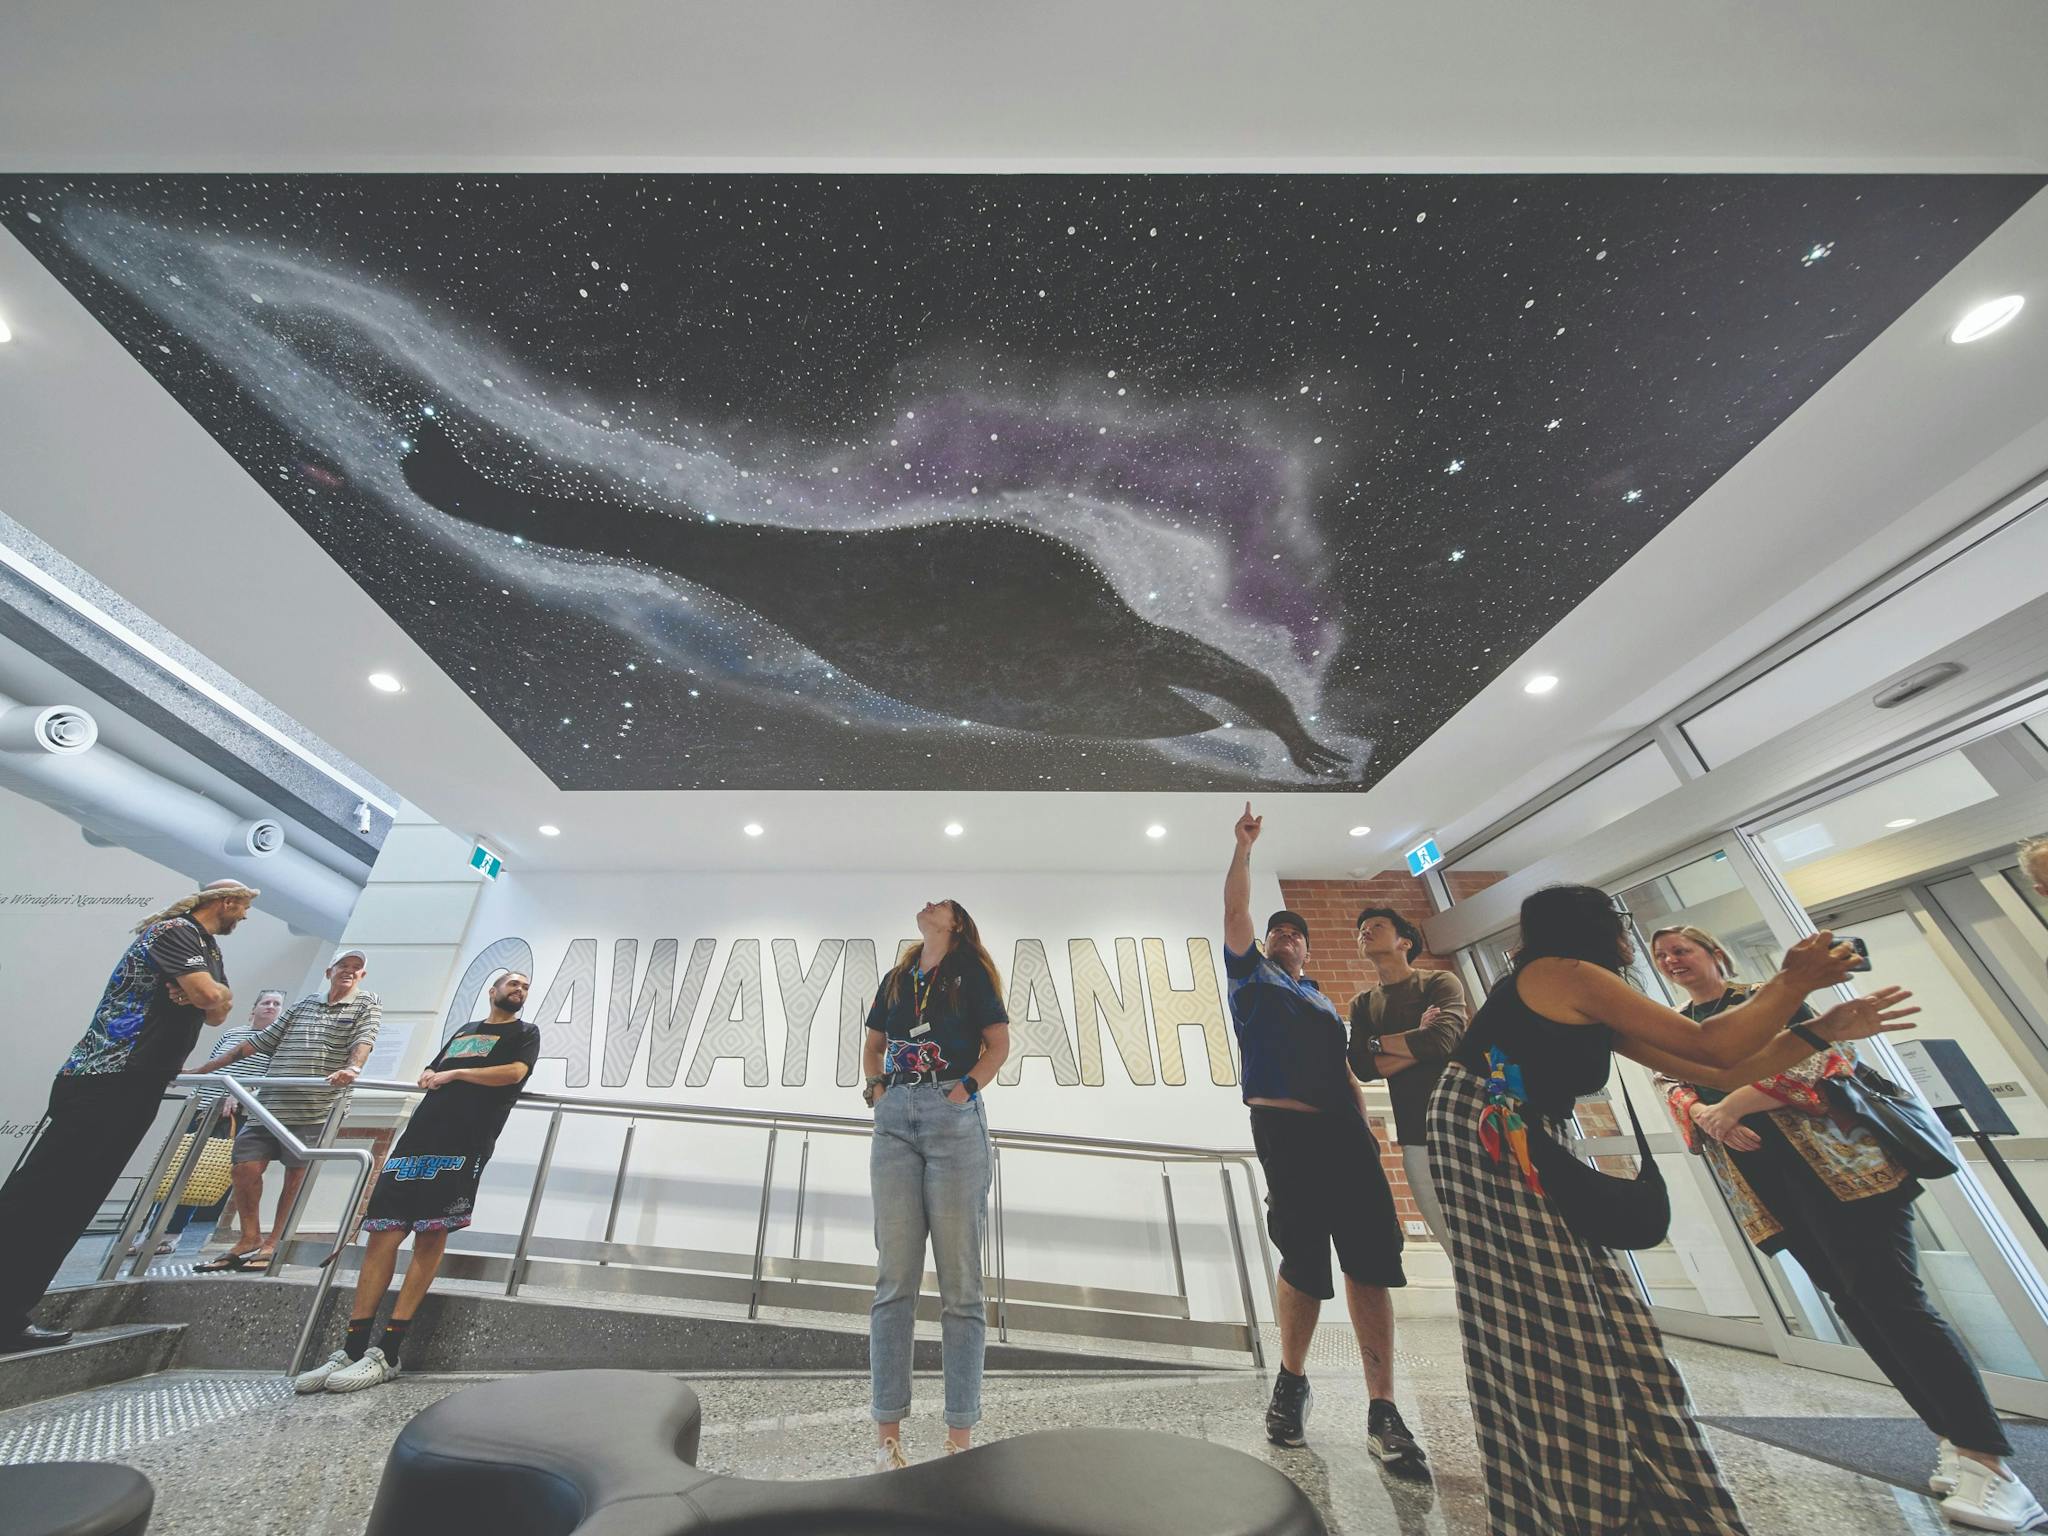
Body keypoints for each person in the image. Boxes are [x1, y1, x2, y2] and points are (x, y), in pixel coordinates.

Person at [1426, 884, 1918, 1534]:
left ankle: (1622, 1462)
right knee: (1549, 1302)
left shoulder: (1580, 988)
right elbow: (1712, 1043)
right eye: (1623, 924)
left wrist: (1823, 1029)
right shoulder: (1563, 973)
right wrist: (1795, 980)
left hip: (1517, 1128)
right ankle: (1582, 1486)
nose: (1635, 941)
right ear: (1594, 929)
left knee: (1585, 1296)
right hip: (1491, 1130)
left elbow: (1717, 1069)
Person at [1650, 925, 2039, 1532]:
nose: (1674, 961)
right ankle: (1950, 1434)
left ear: (1712, 953)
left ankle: (1990, 1464)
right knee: (1856, 1306)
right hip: (1767, 1183)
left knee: (1894, 1302)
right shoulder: (1682, 1024)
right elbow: (1669, 1081)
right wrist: (1703, 1110)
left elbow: (1821, 1058)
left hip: (1843, 1169)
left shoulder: (1770, 997)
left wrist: (1732, 1105)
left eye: (1683, 950)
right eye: (1663, 955)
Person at [1224, 805, 1427, 1476]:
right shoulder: (1252, 981)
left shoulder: (1318, 998)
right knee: (1303, 1263)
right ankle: (1291, 1381)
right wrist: (1244, 850)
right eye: (1277, 928)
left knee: (1368, 1262)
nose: (1285, 935)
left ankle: (1383, 1410)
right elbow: (1235, 916)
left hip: (1343, 1132)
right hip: (1285, 1133)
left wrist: (1368, 1126)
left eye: (1295, 933)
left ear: (1306, 950)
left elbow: (1345, 1067)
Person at [0, 880, 253, 1351]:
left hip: (137, 1084)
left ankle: (10, 1313)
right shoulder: (175, 931)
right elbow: (208, 999)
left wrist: (209, 994)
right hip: (106, 1078)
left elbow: (217, 1010)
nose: (245, 917)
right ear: (226, 902)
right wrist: (206, 993)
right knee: (39, 1198)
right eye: (243, 908)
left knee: (71, 1203)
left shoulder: (207, 948)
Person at [295, 971, 537, 1394]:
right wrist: (431, 1072)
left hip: (464, 1143)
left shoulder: (526, 1032)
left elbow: (515, 1073)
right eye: (512, 983)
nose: (518, 990)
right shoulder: (465, 1031)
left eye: (525, 987)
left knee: (429, 1236)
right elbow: (435, 1066)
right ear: (493, 990)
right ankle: (352, 1349)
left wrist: (456, 1076)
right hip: (417, 1139)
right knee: (382, 1235)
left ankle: (387, 1351)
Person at [861, 900, 1011, 1470]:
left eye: (941, 904)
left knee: (961, 1286)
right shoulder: (899, 978)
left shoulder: (970, 974)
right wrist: (877, 1090)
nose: (928, 904)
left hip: (953, 1121)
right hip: (895, 1117)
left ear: (954, 924)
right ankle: (887, 1441)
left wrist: (964, 1090)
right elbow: (874, 1042)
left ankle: (958, 1441)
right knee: (893, 1280)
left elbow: (998, 1044)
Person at [196, 947, 381, 1271]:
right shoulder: (305, 1004)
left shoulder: (366, 1003)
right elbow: (261, 1041)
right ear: (329, 972)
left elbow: (364, 1039)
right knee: (245, 1167)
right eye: (343, 965)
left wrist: (353, 1069)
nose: (349, 971)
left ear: (362, 976)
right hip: (270, 1103)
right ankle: (249, 1237)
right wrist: (209, 1068)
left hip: (316, 1108)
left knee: (296, 1178)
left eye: (356, 968)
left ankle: (274, 1242)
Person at [128, 988, 284, 1258]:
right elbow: (216, 1065)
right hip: (200, 1107)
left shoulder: (278, 1043)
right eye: (266, 1002)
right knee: (171, 1169)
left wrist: (244, 1096)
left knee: (199, 1174)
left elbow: (272, 1078)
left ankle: (171, 1234)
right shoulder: (233, 1034)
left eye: (277, 1004)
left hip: (230, 1115)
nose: (271, 1007)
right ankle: (145, 1233)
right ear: (254, 1008)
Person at [1347, 906, 1469, 1241]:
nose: (1365, 932)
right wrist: (1413, 1039)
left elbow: (1442, 1040)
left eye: (1377, 926)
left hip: (1462, 1123)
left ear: (1404, 942)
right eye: (1362, 929)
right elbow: (1361, 1066)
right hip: (1414, 1131)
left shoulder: (1439, 981)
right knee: (1449, 1239)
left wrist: (1378, 1044)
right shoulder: (1362, 1003)